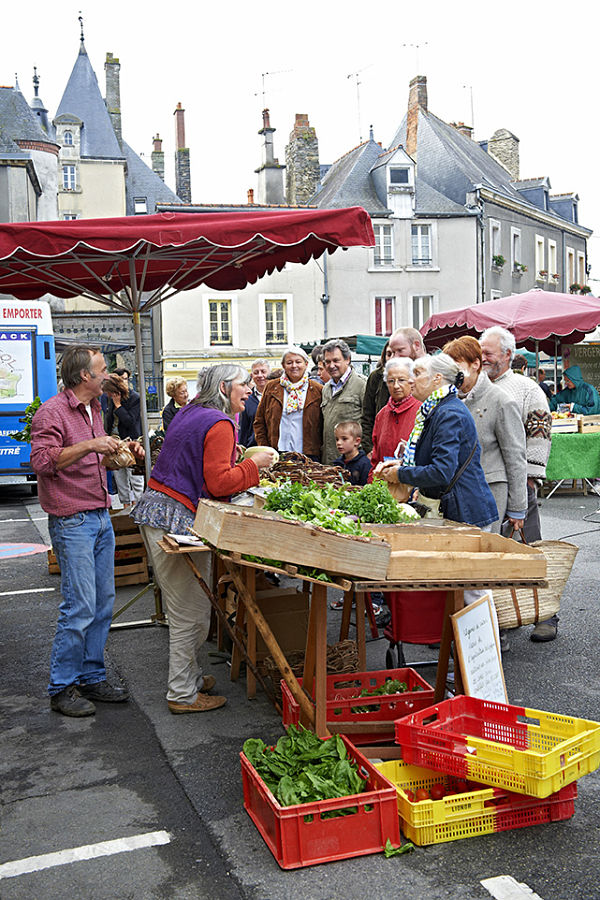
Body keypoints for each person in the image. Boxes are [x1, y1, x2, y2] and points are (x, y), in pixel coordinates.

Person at [132, 364, 277, 714]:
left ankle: (191, 678)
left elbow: (200, 461)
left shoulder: (192, 410)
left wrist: (239, 457)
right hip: (174, 518)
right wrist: (255, 464)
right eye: (245, 385)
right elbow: (220, 484)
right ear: (226, 387)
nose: (250, 391)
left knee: (189, 606)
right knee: (190, 612)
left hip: (160, 511)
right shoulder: (220, 421)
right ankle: (182, 693)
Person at [30, 345, 144, 717]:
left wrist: (118, 450)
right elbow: (43, 462)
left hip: (98, 513)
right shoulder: (52, 412)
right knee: (78, 606)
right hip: (71, 520)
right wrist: (90, 444)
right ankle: (62, 687)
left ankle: (93, 676)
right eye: (102, 368)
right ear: (85, 377)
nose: (107, 372)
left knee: (102, 603)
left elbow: (90, 456)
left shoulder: (96, 407)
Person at [479, 326, 555, 642]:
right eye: (480, 352)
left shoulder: (527, 389)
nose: (482, 358)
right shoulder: (478, 387)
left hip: (520, 482)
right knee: (497, 554)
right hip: (490, 484)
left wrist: (530, 478)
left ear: (508, 355)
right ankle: (506, 618)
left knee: (531, 549)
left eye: (488, 353)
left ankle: (547, 615)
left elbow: (539, 433)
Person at [378, 353, 498, 529]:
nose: (411, 380)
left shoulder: (448, 413)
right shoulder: (437, 410)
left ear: (437, 378)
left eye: (417, 373)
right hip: (457, 510)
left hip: (463, 513)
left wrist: (401, 474)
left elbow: (442, 471)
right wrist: (402, 464)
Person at [444, 336, 527, 535]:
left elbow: (515, 457)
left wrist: (517, 507)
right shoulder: (449, 399)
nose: (451, 373)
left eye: (456, 366)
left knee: (485, 552)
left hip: (489, 491)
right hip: (455, 492)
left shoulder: (501, 401)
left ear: (475, 364)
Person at [254, 347, 322, 458]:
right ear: (283, 365)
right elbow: (259, 421)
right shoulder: (272, 387)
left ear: (306, 364)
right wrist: (265, 447)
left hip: (308, 454)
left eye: (298, 362)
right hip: (277, 453)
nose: (294, 366)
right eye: (289, 362)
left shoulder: (317, 390)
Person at [368, 357, 420, 477]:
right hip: (384, 484)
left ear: (412, 381)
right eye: (391, 381)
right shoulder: (381, 415)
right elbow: (375, 457)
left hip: (410, 484)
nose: (396, 386)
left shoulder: (422, 411)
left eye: (401, 380)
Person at [320, 339, 367, 464]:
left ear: (348, 359)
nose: (331, 365)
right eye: (327, 362)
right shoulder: (325, 389)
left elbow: (370, 421)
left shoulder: (361, 385)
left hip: (353, 461)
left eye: (336, 360)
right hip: (330, 460)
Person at [103, 372, 144, 506]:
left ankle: (138, 505)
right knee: (120, 477)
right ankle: (125, 505)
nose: (107, 395)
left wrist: (118, 406)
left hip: (130, 441)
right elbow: (108, 420)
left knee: (135, 478)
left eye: (108, 392)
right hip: (114, 441)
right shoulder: (110, 399)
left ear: (115, 390)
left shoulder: (135, 398)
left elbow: (131, 422)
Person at [361, 341, 392, 456]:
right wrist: (369, 448)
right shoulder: (376, 377)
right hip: (378, 446)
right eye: (389, 354)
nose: (392, 358)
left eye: (396, 353)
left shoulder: (413, 377)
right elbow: (367, 415)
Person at [238, 358, 271, 447]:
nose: (260, 375)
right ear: (252, 376)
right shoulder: (246, 399)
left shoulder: (279, 396)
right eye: (256, 373)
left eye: (263, 371)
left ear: (269, 374)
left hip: (278, 451)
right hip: (254, 449)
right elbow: (243, 428)